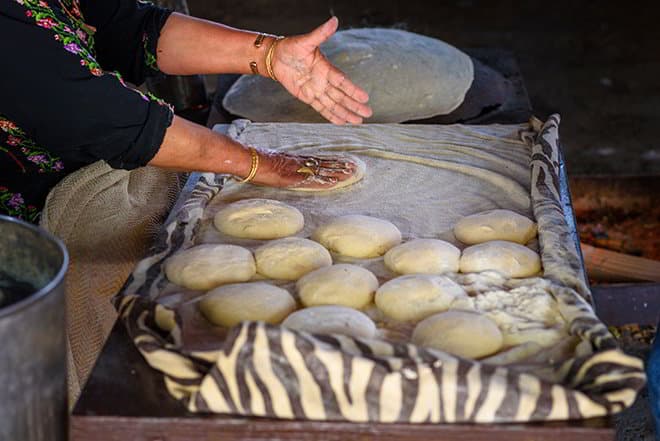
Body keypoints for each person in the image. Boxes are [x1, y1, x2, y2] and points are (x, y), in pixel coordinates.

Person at [0, 0, 373, 223]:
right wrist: (259, 164)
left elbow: (128, 29)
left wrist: (271, 55)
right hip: (27, 230)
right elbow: (99, 117)